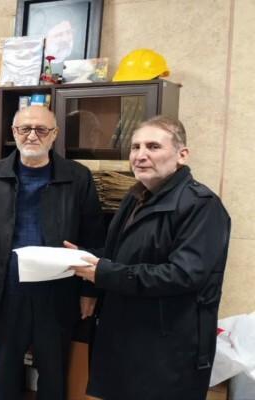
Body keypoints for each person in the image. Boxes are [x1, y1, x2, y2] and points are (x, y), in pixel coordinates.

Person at [70, 116, 231, 400]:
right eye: (135, 147)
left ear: (182, 155)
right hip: (122, 337)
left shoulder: (202, 206)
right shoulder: (135, 197)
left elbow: (183, 275)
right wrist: (84, 258)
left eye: (153, 146)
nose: (140, 155)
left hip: (167, 349)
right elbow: (121, 256)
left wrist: (104, 272)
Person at [0, 105, 105, 400]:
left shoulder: (78, 177)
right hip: (6, 291)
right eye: (24, 129)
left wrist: (89, 291)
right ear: (14, 132)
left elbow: (94, 235)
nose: (32, 135)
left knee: (53, 372)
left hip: (59, 292)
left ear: (54, 134)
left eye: (41, 129)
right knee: (4, 370)